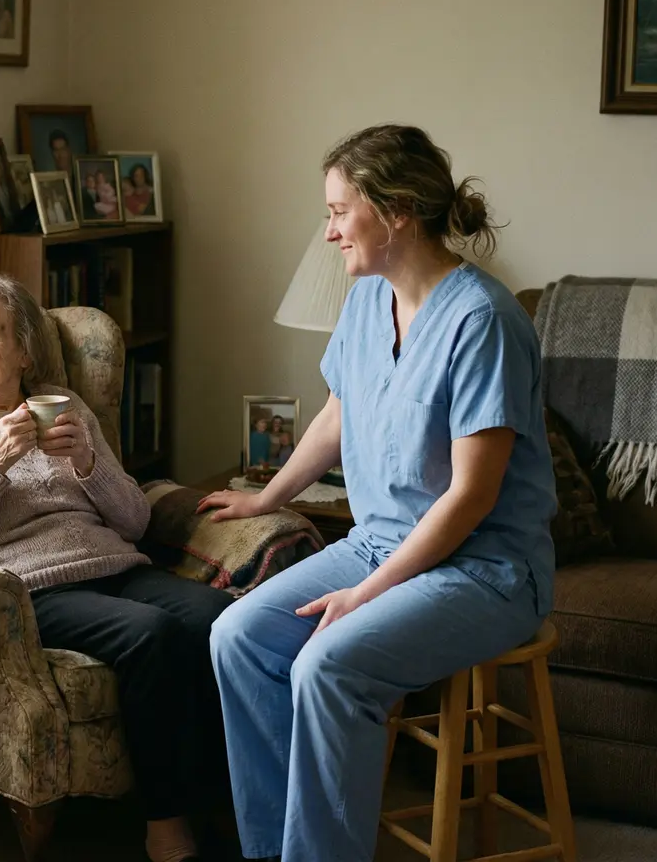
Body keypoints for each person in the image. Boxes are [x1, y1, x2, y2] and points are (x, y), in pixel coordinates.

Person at [201, 124, 556, 862]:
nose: (328, 231)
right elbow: (339, 414)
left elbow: (469, 500)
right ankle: (273, 849)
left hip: (484, 569)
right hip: (379, 543)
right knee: (239, 636)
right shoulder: (367, 301)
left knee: (328, 665)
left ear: (397, 210)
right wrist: (267, 498)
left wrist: (364, 598)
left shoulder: (484, 320)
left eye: (338, 211)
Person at [0, 274, 233, 862]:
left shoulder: (64, 406)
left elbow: (134, 522)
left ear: (24, 351)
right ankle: (166, 823)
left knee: (223, 618)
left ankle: (232, 802)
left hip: (111, 562)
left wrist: (89, 461)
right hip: (27, 586)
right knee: (154, 637)